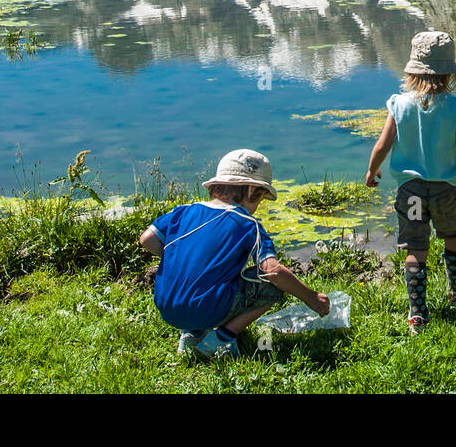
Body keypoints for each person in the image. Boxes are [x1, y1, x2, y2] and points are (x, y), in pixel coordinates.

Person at [366, 30, 456, 330]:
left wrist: (372, 170)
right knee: (453, 238)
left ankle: (417, 310)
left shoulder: (398, 105)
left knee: (416, 248)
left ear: (412, 70)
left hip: (410, 192)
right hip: (446, 191)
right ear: (450, 74)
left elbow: (382, 144)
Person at [139, 148, 329, 359]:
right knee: (272, 286)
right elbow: (272, 271)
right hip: (208, 307)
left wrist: (179, 261)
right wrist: (310, 297)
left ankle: (192, 334)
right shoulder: (248, 224)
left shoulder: (183, 211)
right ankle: (222, 339)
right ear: (252, 191)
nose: (258, 206)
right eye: (261, 198)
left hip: (166, 307)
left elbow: (147, 239)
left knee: (203, 289)